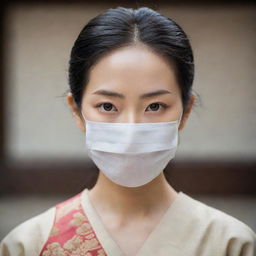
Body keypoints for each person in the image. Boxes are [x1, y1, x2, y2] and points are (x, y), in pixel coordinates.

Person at [0, 6, 255, 256]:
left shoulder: (231, 244)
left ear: (185, 111)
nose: (131, 129)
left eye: (155, 106)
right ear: (76, 111)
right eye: (108, 106)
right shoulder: (28, 245)